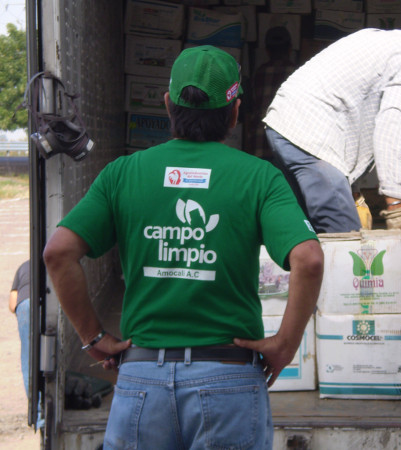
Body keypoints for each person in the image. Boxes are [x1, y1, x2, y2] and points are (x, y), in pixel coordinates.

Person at [43, 45, 324, 449]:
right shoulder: (259, 178)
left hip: (141, 379)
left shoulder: (123, 174)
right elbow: (309, 259)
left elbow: (58, 253)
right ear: (235, 112)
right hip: (229, 379)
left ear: (168, 105)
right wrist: (285, 343)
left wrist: (92, 337)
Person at [263, 11, 401, 250]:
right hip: (311, 138)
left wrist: (353, 192)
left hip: (284, 125)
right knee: (346, 244)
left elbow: (354, 114)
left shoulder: (388, 42)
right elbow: (390, 130)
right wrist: (396, 207)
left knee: (300, 237)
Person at [250, 26, 297, 161]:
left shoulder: (260, 72)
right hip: (287, 144)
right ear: (290, 49)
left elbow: (253, 107)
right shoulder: (298, 73)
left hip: (260, 142)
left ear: (267, 51)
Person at [9, 259, 44, 429]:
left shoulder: (22, 266)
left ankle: (37, 414)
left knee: (29, 360)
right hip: (47, 301)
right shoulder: (58, 257)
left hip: (25, 305)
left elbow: (12, 303)